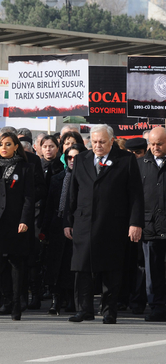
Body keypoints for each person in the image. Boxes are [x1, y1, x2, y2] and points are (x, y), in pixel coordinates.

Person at [66, 124, 144, 324]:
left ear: (111, 141)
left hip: (112, 224)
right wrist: (68, 221)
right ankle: (83, 310)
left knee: (111, 269)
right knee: (81, 268)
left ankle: (109, 311)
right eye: (94, 142)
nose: (98, 145)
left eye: (102, 142)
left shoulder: (125, 160)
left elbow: (135, 195)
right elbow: (72, 194)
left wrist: (135, 223)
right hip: (83, 222)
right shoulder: (82, 159)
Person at [0, 132, 35, 321]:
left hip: (16, 223)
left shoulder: (25, 168)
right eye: (1, 144)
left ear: (16, 147)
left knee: (16, 265)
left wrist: (25, 220)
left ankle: (17, 306)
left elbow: (28, 198)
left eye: (8, 144)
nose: (3, 148)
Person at [42, 144, 85, 316]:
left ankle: (70, 298)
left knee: (70, 263)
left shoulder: (85, 178)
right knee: (54, 263)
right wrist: (44, 228)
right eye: (69, 158)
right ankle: (55, 298)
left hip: (76, 225)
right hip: (56, 224)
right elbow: (49, 203)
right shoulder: (57, 178)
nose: (73, 161)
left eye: (76, 157)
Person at [138, 127, 166, 321]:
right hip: (150, 226)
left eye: (160, 144)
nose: (155, 147)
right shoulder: (140, 164)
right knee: (153, 271)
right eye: (152, 144)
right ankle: (157, 307)